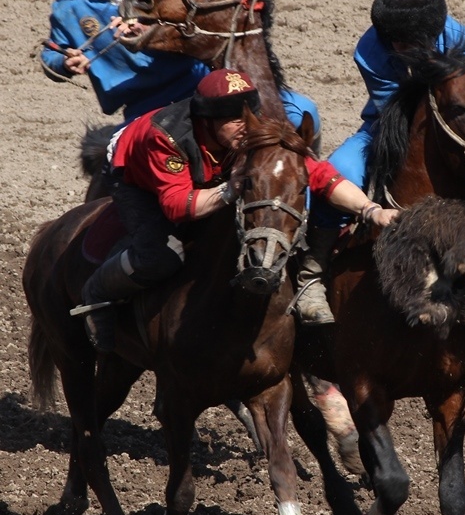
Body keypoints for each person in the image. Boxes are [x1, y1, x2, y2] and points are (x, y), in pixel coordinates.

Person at [76, 69, 396, 352]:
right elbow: (176, 205)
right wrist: (229, 190)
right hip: (136, 175)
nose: (245, 127)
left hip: (205, 177)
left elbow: (320, 175)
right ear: (207, 121)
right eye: (232, 120)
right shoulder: (165, 138)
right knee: (159, 256)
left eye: (247, 115)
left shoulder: (252, 128)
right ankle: (97, 290)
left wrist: (370, 210)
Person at [296, 0, 465, 325]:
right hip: (392, 124)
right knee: (338, 168)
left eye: (407, 42)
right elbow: (397, 113)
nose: (398, 47)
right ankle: (312, 271)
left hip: (462, 133)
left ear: (433, 33)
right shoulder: (370, 49)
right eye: (393, 41)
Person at [41, 0, 209, 125]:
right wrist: (65, 63)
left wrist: (147, 28)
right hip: (141, 104)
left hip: (195, 84)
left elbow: (202, 24)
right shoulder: (69, 7)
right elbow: (51, 54)